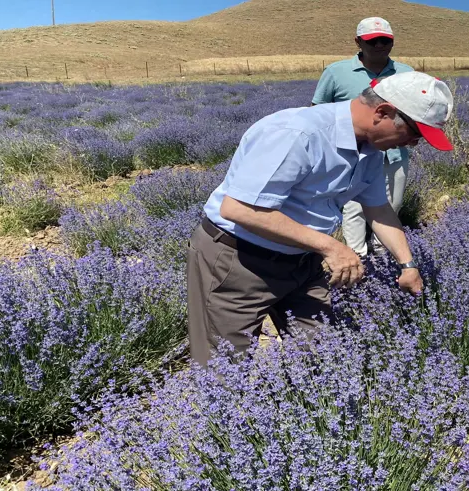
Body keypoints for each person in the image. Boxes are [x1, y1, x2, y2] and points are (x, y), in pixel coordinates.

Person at [188, 71, 454, 366]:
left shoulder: (370, 150)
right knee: (224, 368)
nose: (413, 145)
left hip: (302, 262)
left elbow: (378, 208)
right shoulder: (297, 133)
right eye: (414, 135)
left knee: (321, 359)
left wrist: (408, 265)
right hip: (239, 261)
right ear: (383, 112)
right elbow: (238, 209)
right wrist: (331, 247)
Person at [312, 17, 414, 257]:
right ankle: (356, 257)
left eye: (385, 40)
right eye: (372, 41)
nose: (379, 45)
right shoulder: (337, 72)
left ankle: (383, 255)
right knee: (354, 207)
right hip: (351, 155)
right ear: (358, 42)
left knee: (390, 206)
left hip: (394, 154)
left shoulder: (406, 73)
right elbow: (317, 111)